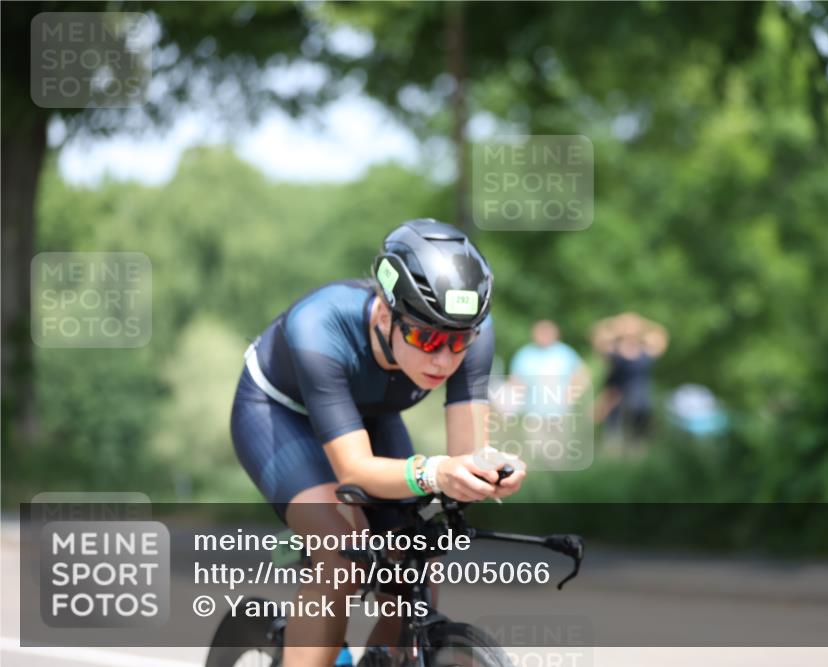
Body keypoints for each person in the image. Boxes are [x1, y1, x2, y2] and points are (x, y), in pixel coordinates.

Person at [229, 219, 526, 667]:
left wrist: (487, 473)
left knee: (414, 553)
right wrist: (435, 471)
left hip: (370, 415)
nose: (444, 358)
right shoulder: (319, 326)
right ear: (385, 315)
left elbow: (467, 457)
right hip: (277, 413)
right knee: (339, 549)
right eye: (425, 337)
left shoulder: (473, 334)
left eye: (459, 341)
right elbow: (355, 470)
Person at [592, 312, 668, 443]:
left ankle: (635, 458)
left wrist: (642, 323)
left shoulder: (646, 350)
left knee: (637, 435)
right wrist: (616, 323)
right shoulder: (613, 349)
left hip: (640, 399)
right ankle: (613, 458)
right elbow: (596, 333)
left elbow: (662, 334)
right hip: (614, 397)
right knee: (612, 432)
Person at [507, 320, 589, 417]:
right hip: (532, 413)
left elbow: (582, 377)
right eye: (541, 332)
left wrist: (570, 398)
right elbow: (514, 381)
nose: (544, 336)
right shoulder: (524, 354)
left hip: (561, 412)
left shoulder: (566, 353)